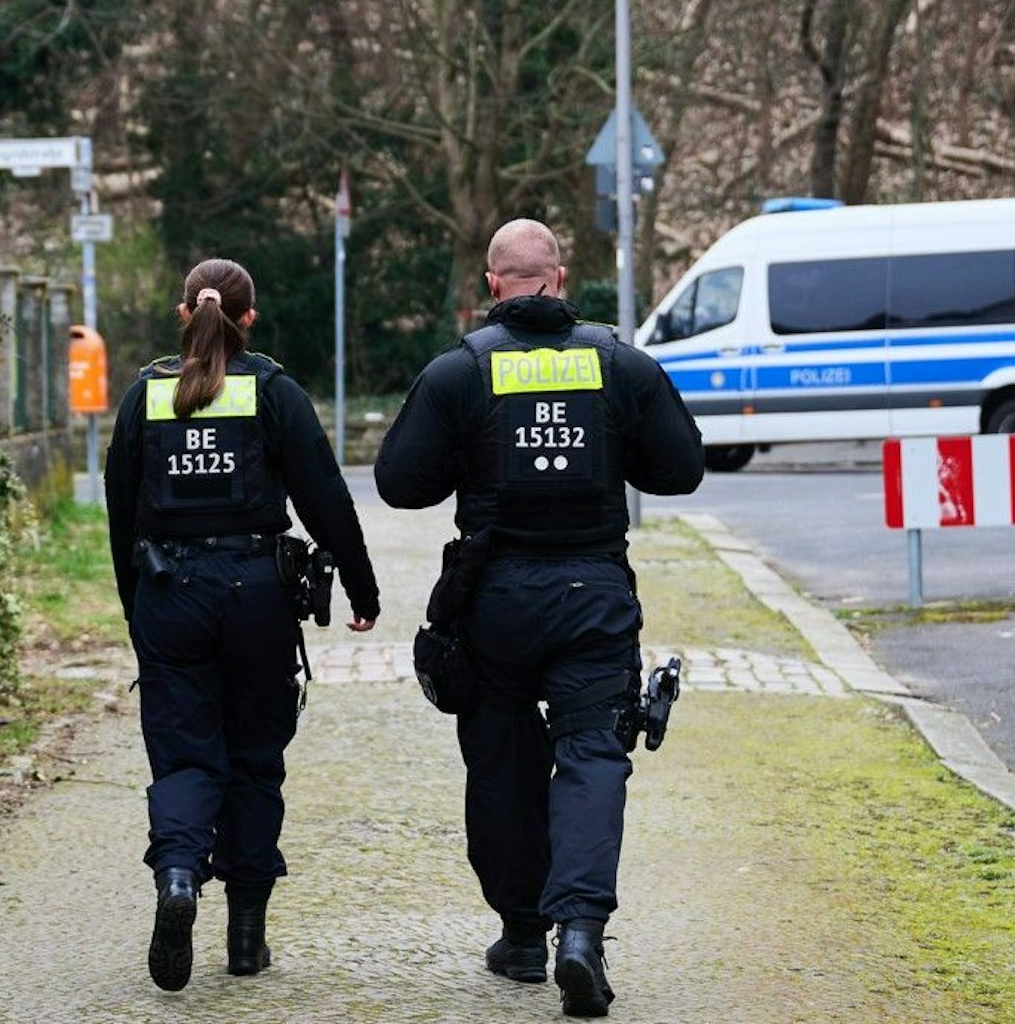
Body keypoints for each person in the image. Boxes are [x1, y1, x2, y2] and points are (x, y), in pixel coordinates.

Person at [373, 219, 706, 1018]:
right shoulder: (618, 364)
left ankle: (523, 935)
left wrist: (468, 452)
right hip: (594, 594)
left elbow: (398, 483)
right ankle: (582, 934)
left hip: (496, 601)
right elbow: (682, 470)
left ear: (495, 285)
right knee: (594, 755)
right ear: (558, 277)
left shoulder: (461, 372)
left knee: (501, 761)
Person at [105, 256, 380, 993]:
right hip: (257, 593)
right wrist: (361, 585)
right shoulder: (273, 390)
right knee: (256, 759)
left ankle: (178, 879)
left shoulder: (145, 395)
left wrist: (139, 609)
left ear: (182, 313)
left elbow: (121, 511)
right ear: (248, 317)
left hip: (171, 594)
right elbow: (325, 496)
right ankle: (247, 937)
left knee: (187, 757)